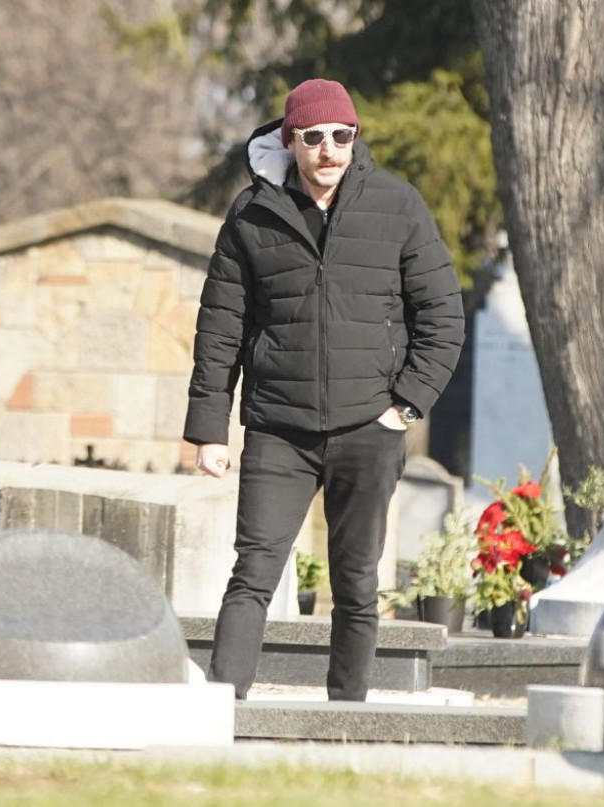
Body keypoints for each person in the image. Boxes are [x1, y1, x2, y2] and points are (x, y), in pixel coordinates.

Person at [183, 78, 465, 701]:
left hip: (369, 426)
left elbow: (442, 316)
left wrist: (405, 405)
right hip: (278, 429)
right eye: (314, 137)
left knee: (357, 582)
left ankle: (347, 719)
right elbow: (221, 327)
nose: (329, 149)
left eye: (342, 135)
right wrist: (208, 430)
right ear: (291, 141)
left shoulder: (397, 205)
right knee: (254, 573)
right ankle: (221, 710)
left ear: (354, 137)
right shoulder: (251, 214)